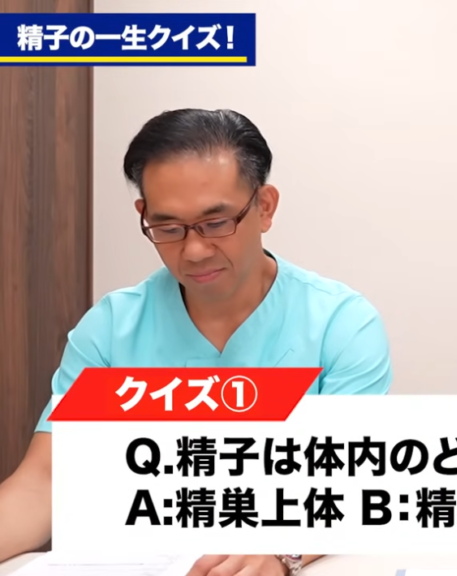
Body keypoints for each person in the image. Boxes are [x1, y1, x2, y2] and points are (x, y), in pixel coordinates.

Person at [0, 108, 393, 575]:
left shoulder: (339, 325)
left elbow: (348, 487)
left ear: (265, 207)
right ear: (144, 215)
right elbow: (47, 480)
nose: (194, 250)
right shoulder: (110, 329)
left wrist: (281, 551)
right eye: (168, 228)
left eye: (216, 222)